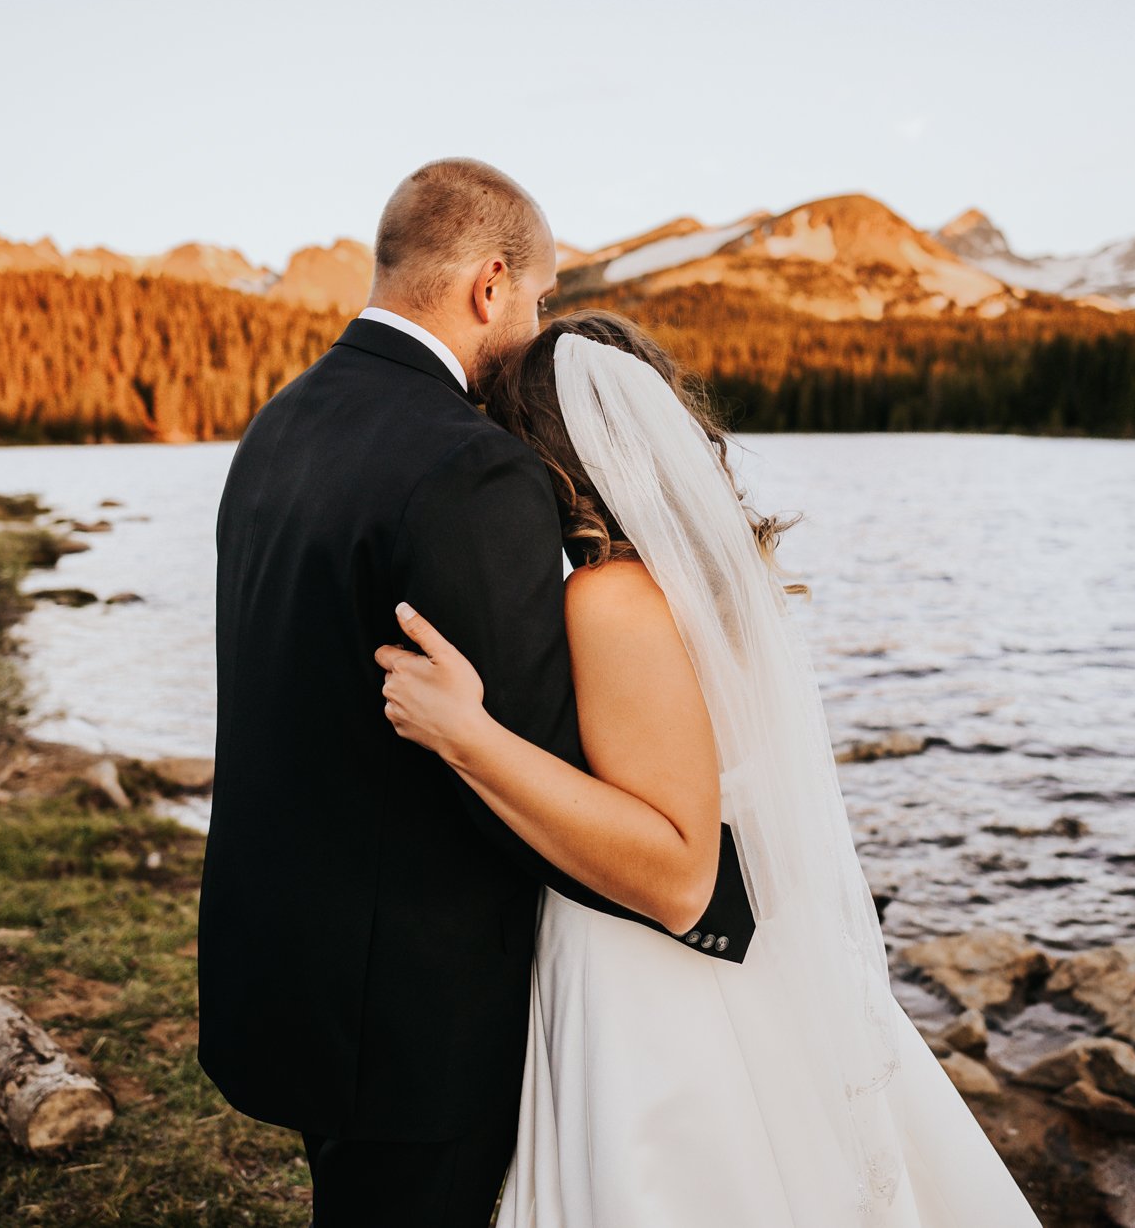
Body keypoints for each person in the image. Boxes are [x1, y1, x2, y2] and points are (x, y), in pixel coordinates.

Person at [375, 309, 1048, 1226]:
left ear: (542, 454)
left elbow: (679, 867)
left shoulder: (612, 596)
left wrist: (466, 733)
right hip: (756, 961)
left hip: (654, 988)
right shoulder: (713, 576)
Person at [197, 158, 754, 1228]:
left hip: (286, 972)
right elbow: (547, 769)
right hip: (412, 1013)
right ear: (489, 285)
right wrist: (721, 913)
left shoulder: (279, 423)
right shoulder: (469, 466)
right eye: (538, 301)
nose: (535, 331)